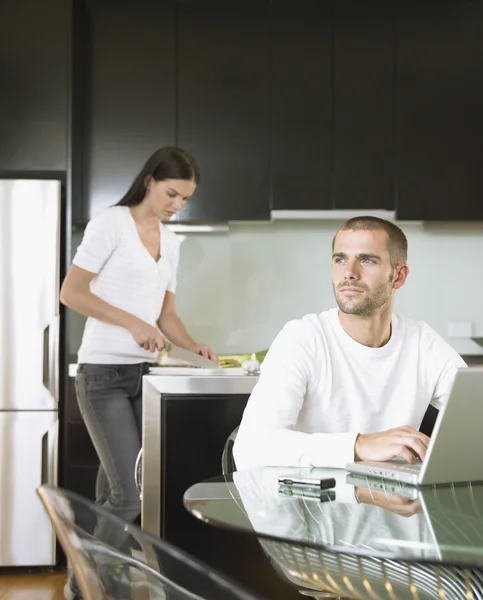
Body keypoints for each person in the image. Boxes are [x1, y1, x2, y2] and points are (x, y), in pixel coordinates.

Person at [60, 146, 217, 538]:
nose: (177, 205)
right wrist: (132, 322)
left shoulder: (172, 242)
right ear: (150, 181)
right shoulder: (111, 223)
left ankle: (91, 585)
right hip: (102, 376)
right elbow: (72, 292)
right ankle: (91, 589)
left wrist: (193, 346)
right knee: (128, 496)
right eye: (172, 194)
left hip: (144, 376)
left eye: (185, 198)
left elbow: (166, 316)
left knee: (116, 492)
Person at [233, 216, 466, 471]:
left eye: (367, 260)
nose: (349, 273)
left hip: (400, 506)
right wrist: (358, 445)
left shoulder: (424, 344)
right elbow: (250, 447)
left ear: (399, 276)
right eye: (340, 259)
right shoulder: (302, 338)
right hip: (316, 507)